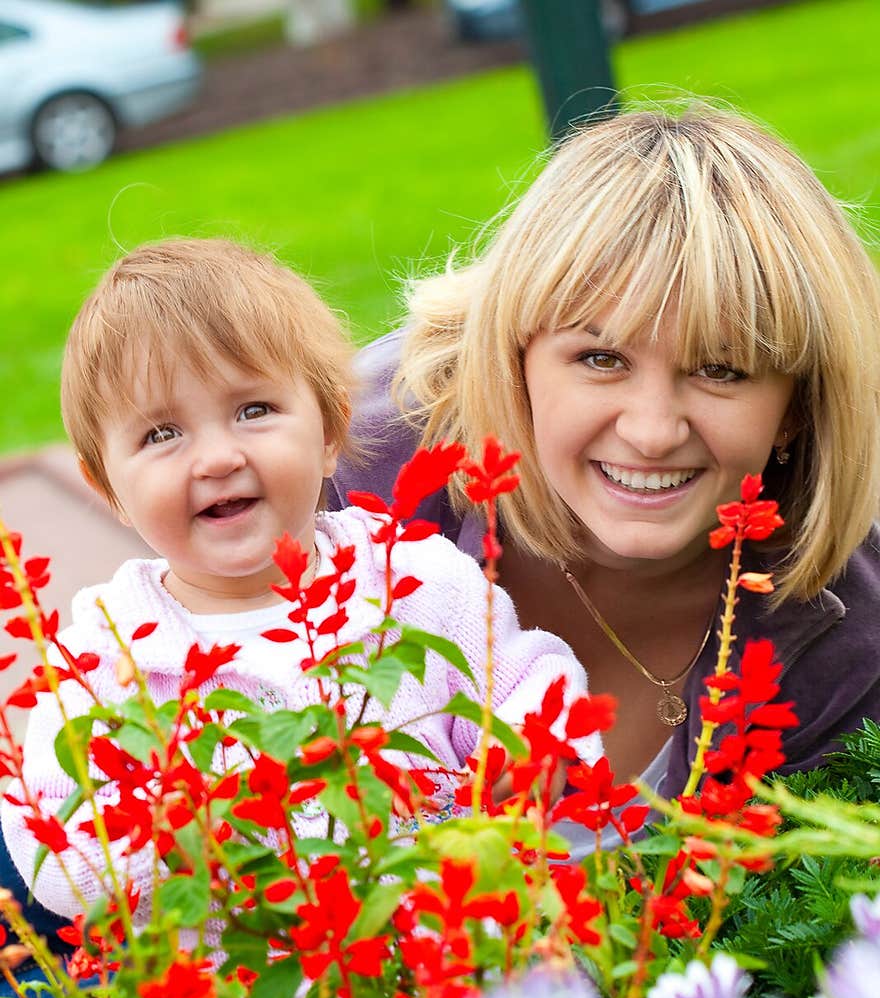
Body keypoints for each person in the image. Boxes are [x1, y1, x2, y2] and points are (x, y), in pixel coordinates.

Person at [0, 237, 599, 938]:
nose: (219, 458)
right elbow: (52, 850)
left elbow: (527, 677)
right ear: (108, 487)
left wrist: (529, 746)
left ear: (330, 430)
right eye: (162, 433)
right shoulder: (107, 660)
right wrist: (192, 836)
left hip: (458, 975)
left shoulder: (415, 577)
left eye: (253, 410)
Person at [329, 100, 880, 801]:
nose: (652, 431)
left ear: (796, 410)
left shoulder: (858, 632)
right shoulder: (350, 462)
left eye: (720, 370)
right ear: (516, 357)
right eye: (601, 358)